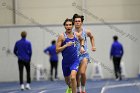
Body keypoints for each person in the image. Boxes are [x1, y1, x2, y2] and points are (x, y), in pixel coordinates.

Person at [56, 18, 85, 93]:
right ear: (64, 26)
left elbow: (82, 39)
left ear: (72, 26)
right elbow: (57, 50)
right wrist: (65, 45)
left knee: (73, 77)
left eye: (70, 25)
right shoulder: (62, 36)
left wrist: (82, 47)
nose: (68, 26)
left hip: (75, 61)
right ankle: (70, 88)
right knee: (68, 81)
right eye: (66, 25)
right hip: (65, 62)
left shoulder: (76, 35)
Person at [72, 14, 96, 93]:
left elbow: (92, 37)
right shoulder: (71, 33)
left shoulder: (86, 31)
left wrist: (93, 46)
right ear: (74, 22)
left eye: (79, 21)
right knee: (76, 75)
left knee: (82, 72)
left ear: (81, 22)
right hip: (74, 56)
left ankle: (83, 89)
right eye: (76, 21)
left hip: (84, 55)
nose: (77, 23)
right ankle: (78, 89)